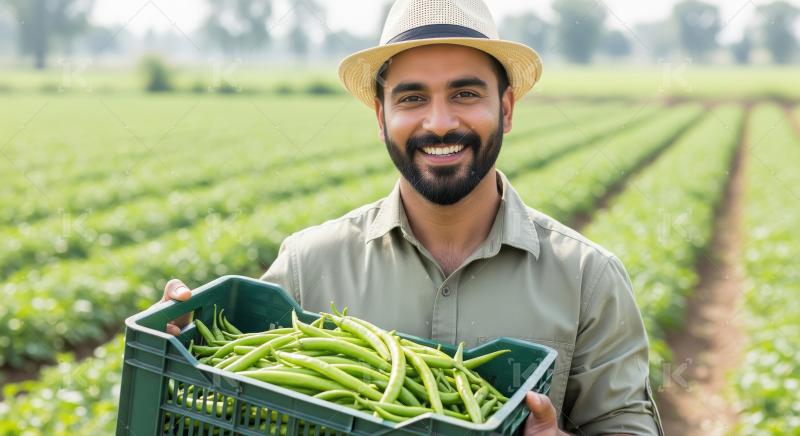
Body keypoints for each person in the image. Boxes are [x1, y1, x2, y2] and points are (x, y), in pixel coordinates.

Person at [158, 0, 664, 434]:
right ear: (381, 117)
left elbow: (626, 422)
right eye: (412, 97)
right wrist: (183, 361)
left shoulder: (586, 277)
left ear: (506, 109)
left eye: (465, 94)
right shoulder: (306, 266)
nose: (440, 122)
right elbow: (235, 408)